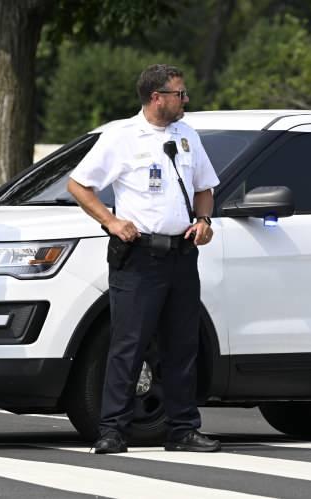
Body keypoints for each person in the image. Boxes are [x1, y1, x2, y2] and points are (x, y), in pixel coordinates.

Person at [67, 64, 220, 454]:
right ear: (156, 98)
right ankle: (113, 429)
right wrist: (112, 221)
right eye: (179, 94)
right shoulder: (122, 136)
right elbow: (79, 184)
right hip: (139, 257)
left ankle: (183, 428)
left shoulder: (187, 136)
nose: (185, 100)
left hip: (182, 255)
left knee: (182, 345)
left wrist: (203, 220)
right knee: (128, 344)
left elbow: (205, 187)